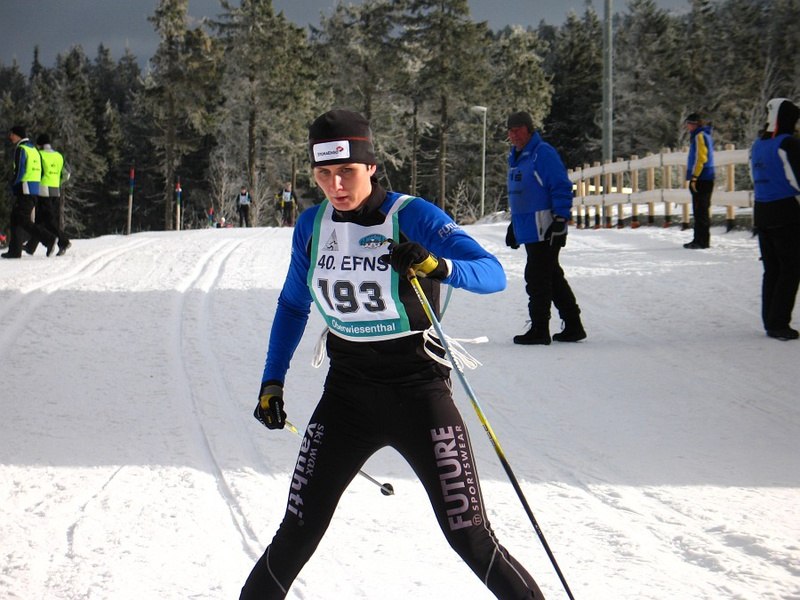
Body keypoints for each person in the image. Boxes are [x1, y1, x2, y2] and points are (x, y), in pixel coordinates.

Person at [240, 109, 545, 600]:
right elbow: (294, 304)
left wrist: (437, 265)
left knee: (469, 536)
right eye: (324, 174)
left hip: (419, 395)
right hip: (345, 400)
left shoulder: (412, 215)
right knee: (295, 534)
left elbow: (492, 274)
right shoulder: (312, 225)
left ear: (371, 166)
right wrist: (271, 381)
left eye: (347, 171)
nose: (336, 185)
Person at [505, 110, 586, 345]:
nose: (514, 135)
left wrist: (560, 219)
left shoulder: (542, 153)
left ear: (529, 129)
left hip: (546, 228)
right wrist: (514, 225)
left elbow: (560, 186)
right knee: (551, 276)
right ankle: (573, 325)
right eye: (511, 131)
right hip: (530, 228)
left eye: (518, 130)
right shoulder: (518, 157)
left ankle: (540, 329)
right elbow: (523, 195)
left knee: (537, 277)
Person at [750, 98, 800, 341]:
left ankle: (770, 319)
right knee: (790, 269)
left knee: (771, 269)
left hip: (762, 211)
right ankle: (779, 323)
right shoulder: (788, 144)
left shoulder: (757, 145)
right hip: (786, 212)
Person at [2, 126, 56, 259]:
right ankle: (15, 251)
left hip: (24, 188)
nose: (10, 137)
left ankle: (48, 238)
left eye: (12, 134)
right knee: (15, 217)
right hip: (34, 189)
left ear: (18, 135)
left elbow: (20, 170)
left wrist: (12, 185)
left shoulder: (21, 149)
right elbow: (42, 171)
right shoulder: (34, 150)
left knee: (22, 219)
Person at [25, 134, 71, 256]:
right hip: (55, 190)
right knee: (41, 219)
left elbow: (36, 172)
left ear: (39, 144)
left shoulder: (39, 155)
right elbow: (67, 174)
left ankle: (63, 241)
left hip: (42, 190)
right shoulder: (58, 156)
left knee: (48, 220)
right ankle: (30, 247)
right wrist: (57, 182)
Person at [683, 113, 715, 249]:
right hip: (706, 176)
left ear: (694, 124)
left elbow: (700, 157)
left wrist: (694, 176)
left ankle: (701, 241)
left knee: (700, 210)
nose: (687, 127)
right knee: (701, 209)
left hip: (702, 177)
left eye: (688, 124)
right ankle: (699, 239)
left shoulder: (699, 136)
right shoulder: (704, 135)